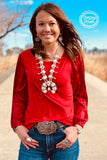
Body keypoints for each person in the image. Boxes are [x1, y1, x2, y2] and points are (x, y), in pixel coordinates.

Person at [11, 2, 88, 160]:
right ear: (35, 28)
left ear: (60, 26)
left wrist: (77, 128)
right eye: (41, 24)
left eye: (52, 23)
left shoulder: (74, 57)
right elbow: (19, 95)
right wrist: (17, 126)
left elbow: (80, 96)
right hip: (32, 139)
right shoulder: (24, 58)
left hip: (64, 138)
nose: (46, 29)